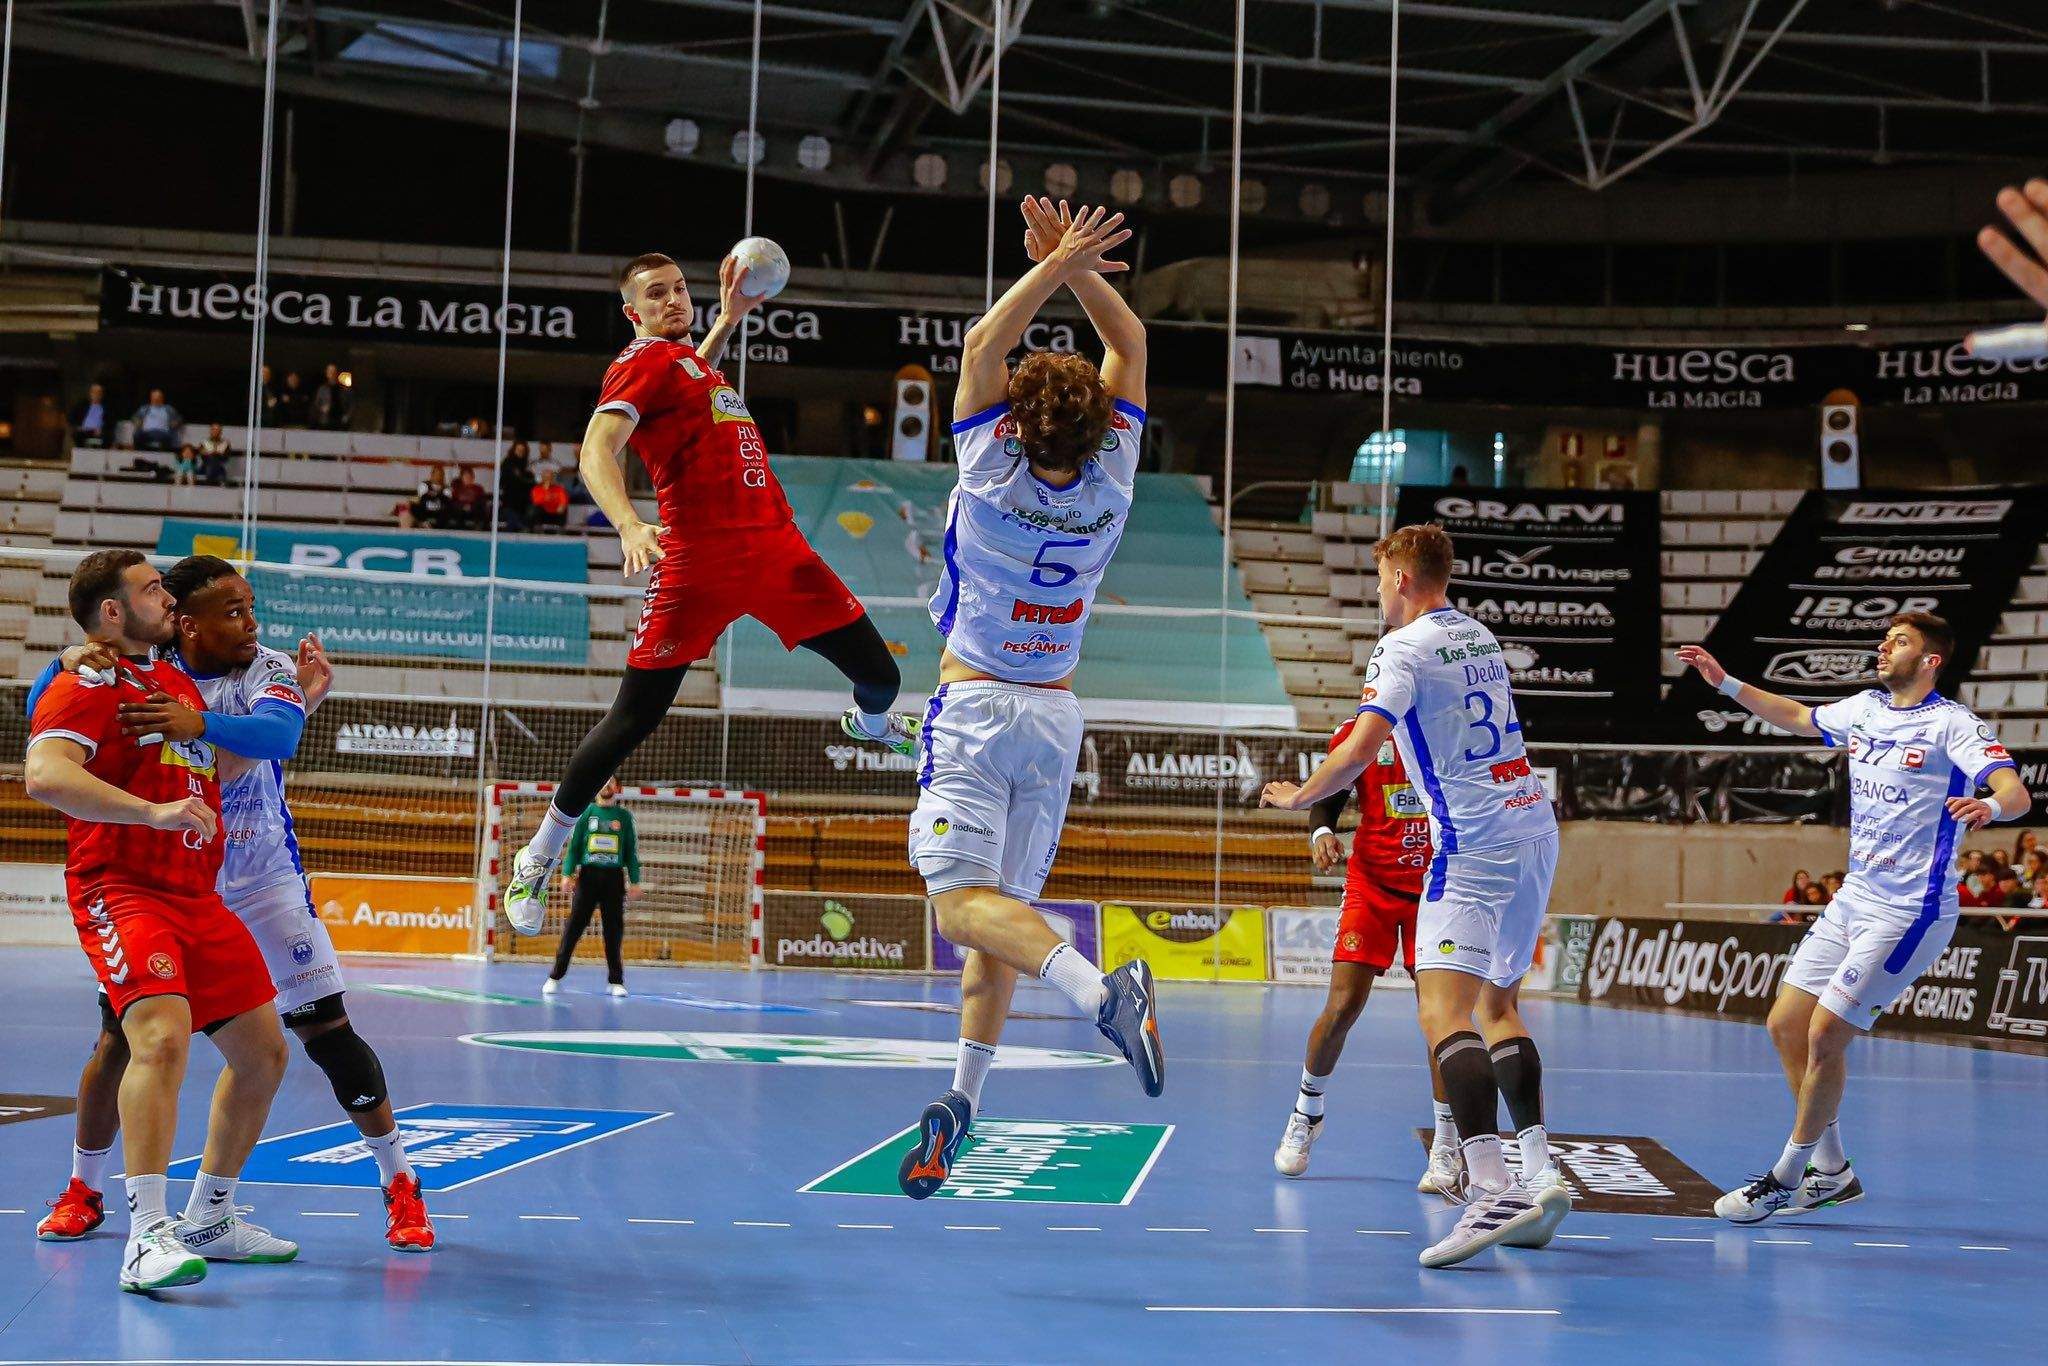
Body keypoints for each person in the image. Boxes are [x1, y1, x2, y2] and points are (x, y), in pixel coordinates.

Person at [845, 198, 1163, 1201]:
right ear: (1100, 425)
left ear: (1017, 425)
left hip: (976, 707)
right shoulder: (1114, 476)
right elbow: (1130, 342)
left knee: (957, 906)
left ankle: (1101, 993)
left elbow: (986, 341)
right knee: (995, 917)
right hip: (1054, 714)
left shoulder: (988, 468)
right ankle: (963, 1101)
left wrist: (1053, 263)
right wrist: (1078, 269)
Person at [27, 558, 436, 1254]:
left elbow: (277, 738)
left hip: (261, 878)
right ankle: (86, 1191)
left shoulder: (260, 668)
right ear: (186, 623)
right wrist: (64, 660)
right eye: (234, 612)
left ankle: (398, 1180)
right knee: (123, 1039)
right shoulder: (144, 666)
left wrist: (201, 722)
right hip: (167, 877)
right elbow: (55, 713)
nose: (251, 624)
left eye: (250, 609)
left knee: (320, 1034)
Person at [497, 247, 911, 931]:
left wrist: (729, 318)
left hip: (776, 550)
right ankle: (537, 856)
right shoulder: (640, 361)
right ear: (632, 313)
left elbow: (689, 376)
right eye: (656, 294)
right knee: (633, 719)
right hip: (697, 562)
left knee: (881, 677)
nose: (673, 301)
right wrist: (628, 523)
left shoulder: (687, 364)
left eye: (678, 289)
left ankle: (869, 726)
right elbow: (596, 449)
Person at [1262, 522, 1570, 1269]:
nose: (1378, 594)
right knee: (1500, 1005)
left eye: (1380, 580)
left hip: (1473, 843)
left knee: (1443, 1012)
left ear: (1401, 579)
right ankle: (1540, 1172)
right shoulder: (1478, 634)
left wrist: (1299, 797)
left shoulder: (1401, 648)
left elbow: (1360, 748)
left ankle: (1490, 1191)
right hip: (1534, 828)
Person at [1677, 611, 2029, 1223]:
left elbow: (2016, 792)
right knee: (1786, 1025)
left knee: (1825, 1035)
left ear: (1930, 660)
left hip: (1910, 911)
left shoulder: (1952, 724)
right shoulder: (1864, 709)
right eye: (1885, 637)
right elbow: (1796, 715)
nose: (1884, 646)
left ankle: (1786, 1177)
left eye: (1899, 641)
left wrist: (1990, 807)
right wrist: (1725, 683)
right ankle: (1833, 1171)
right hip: (1853, 899)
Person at [22, 550, 295, 1292]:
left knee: (264, 1053)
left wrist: (300, 702)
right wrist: (151, 812)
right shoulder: (90, 679)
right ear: (113, 612)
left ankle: (211, 1218)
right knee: (160, 1039)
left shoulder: (170, 681)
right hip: (123, 889)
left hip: (196, 895)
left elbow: (218, 765)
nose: (168, 599)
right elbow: (44, 774)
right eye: (151, 590)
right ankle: (146, 1237)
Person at [1273, 714, 1456, 1190]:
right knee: (1342, 1006)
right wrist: (1321, 833)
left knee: (1440, 1016)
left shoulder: (1448, 726)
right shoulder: (1360, 731)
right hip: (1371, 884)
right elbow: (1330, 795)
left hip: (1436, 889)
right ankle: (1307, 1112)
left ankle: (1446, 1141)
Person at [544, 779, 643, 998]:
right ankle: (555, 976)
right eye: (603, 782)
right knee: (574, 927)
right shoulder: (586, 813)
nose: (606, 786)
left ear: (616, 788)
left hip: (614, 879)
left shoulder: (624, 817)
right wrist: (567, 874)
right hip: (588, 877)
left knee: (613, 931)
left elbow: (630, 852)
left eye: (611, 783)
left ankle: (616, 981)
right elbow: (574, 847)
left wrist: (635, 881)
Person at [129, 388, 182, 452]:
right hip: (146, 433)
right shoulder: (145, 408)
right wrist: (137, 421)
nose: (156, 399)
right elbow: (134, 417)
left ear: (162, 398)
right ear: (151, 398)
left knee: (169, 438)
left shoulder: (168, 409)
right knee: (137, 435)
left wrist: (176, 422)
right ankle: (139, 453)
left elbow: (179, 419)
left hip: (163, 433)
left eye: (158, 397)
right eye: (154, 397)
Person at [498, 442, 534, 532]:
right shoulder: (507, 462)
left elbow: (530, 481)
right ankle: (518, 526)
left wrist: (520, 477)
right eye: (518, 450)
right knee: (511, 513)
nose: (520, 452)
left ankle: (519, 526)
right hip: (509, 496)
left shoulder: (527, 464)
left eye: (522, 450)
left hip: (524, 498)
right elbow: (504, 480)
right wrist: (520, 478)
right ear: (514, 450)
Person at [70, 382, 115, 448]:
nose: (96, 395)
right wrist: (78, 427)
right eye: (94, 392)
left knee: (107, 436)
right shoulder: (82, 406)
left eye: (99, 393)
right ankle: (82, 451)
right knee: (76, 434)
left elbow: (110, 423)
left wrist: (102, 430)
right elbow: (72, 417)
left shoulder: (106, 408)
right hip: (85, 431)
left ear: (102, 395)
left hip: (99, 431)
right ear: (90, 394)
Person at [309, 364, 350, 430]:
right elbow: (316, 404)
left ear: (337, 373)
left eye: (334, 372)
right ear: (327, 373)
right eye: (330, 371)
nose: (332, 374)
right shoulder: (322, 389)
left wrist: (347, 416)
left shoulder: (344, 389)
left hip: (340, 422)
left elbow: (350, 405)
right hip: (325, 422)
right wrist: (322, 408)